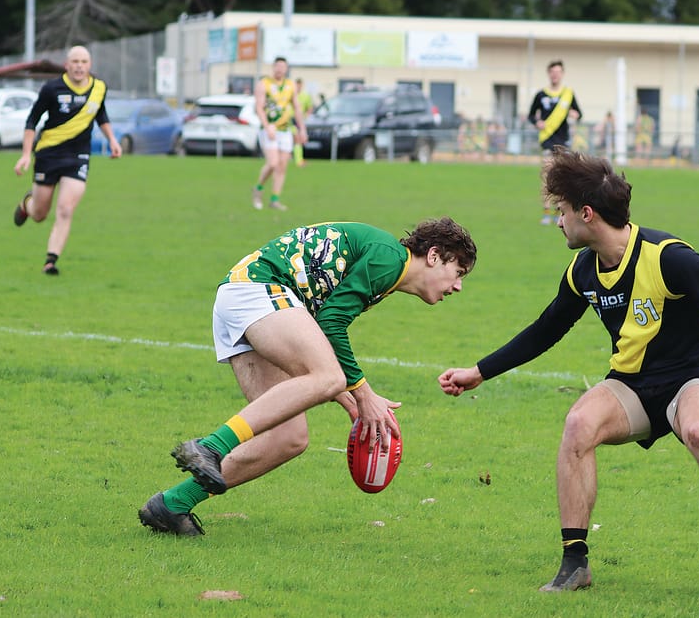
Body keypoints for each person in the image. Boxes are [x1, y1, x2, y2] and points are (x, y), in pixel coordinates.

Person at [439, 149, 699, 595]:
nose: (558, 222)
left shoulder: (668, 257)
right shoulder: (583, 270)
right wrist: (479, 372)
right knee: (578, 424)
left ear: (586, 213)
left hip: (692, 377)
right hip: (632, 385)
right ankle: (574, 565)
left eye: (561, 212)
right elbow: (546, 330)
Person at [139, 218, 477, 536]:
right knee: (329, 377)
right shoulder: (390, 259)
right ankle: (210, 446)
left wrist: (349, 397)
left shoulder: (387, 269)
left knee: (289, 437)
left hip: (246, 298)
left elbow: (316, 340)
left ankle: (172, 505)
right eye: (458, 272)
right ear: (434, 256)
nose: (459, 286)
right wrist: (362, 393)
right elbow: (331, 324)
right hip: (260, 289)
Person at [12, 45, 122, 275]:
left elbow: (100, 114)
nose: (79, 66)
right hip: (48, 154)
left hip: (78, 156)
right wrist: (25, 154)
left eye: (84, 62)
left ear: (89, 65)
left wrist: (112, 139)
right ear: (67, 65)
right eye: (75, 62)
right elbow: (32, 121)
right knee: (40, 214)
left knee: (65, 209)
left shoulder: (99, 88)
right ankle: (27, 205)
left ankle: (50, 261)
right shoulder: (52, 89)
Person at [527, 60, 581, 226]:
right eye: (552, 72)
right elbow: (531, 115)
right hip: (547, 141)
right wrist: (537, 122)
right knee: (547, 175)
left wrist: (575, 114)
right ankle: (546, 213)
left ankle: (561, 211)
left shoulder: (568, 93)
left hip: (563, 141)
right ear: (549, 74)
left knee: (563, 177)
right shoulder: (541, 95)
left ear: (562, 74)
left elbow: (579, 113)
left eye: (558, 72)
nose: (555, 75)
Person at [251, 56, 306, 211]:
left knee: (282, 166)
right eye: (278, 66)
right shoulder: (264, 84)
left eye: (283, 66)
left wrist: (302, 128)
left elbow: (296, 108)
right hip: (270, 129)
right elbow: (259, 107)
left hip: (285, 130)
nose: (280, 69)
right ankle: (258, 188)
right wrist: (267, 126)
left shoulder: (290, 85)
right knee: (273, 163)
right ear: (273, 67)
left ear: (286, 69)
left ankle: (275, 199)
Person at [292, 78, 314, 167]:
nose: (298, 87)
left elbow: (309, 108)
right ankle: (296, 159)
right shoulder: (291, 94)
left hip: (299, 120)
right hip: (290, 120)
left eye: (300, 85)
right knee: (296, 139)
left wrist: (306, 116)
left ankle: (298, 160)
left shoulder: (305, 95)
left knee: (298, 139)